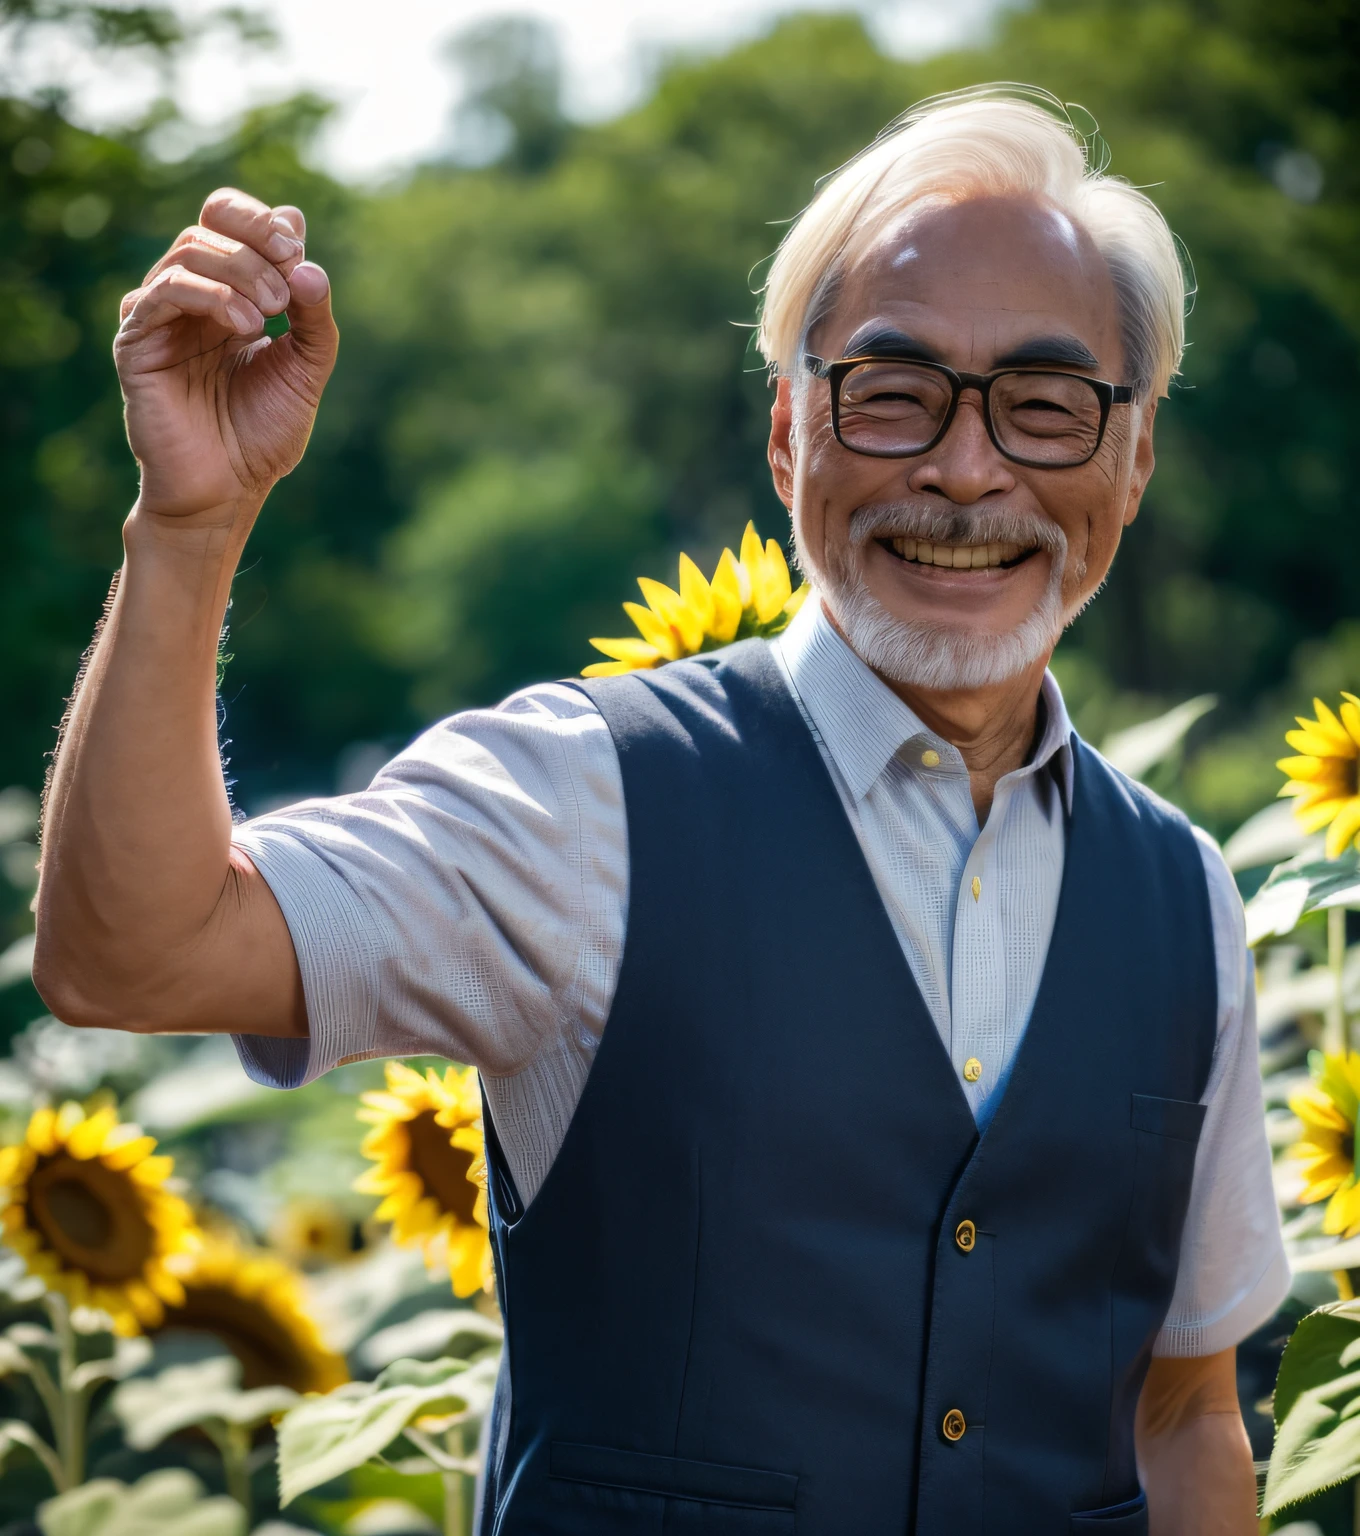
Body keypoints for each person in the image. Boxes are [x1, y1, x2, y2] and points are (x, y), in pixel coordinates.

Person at [34, 86, 1286, 1535]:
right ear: (786, 436)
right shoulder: (581, 800)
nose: (964, 467)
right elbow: (135, 953)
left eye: (1050, 406)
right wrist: (188, 528)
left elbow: (1186, 1412)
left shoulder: (1184, 897)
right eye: (891, 392)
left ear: (1132, 466)